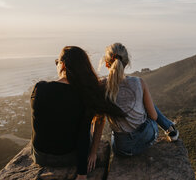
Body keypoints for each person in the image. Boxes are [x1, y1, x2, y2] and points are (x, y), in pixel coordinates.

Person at [30, 46, 126, 180]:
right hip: (69, 157)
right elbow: (83, 137)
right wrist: (82, 174)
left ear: (62, 65)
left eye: (57, 62)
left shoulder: (39, 89)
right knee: (86, 129)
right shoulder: (84, 96)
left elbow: (38, 125)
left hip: (41, 156)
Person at [88, 43, 179, 160]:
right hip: (146, 137)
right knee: (148, 105)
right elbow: (153, 116)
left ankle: (169, 127)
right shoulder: (138, 82)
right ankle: (170, 128)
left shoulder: (101, 87)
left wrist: (93, 152)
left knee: (115, 132)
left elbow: (99, 121)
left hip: (122, 149)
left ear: (106, 63)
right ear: (126, 63)